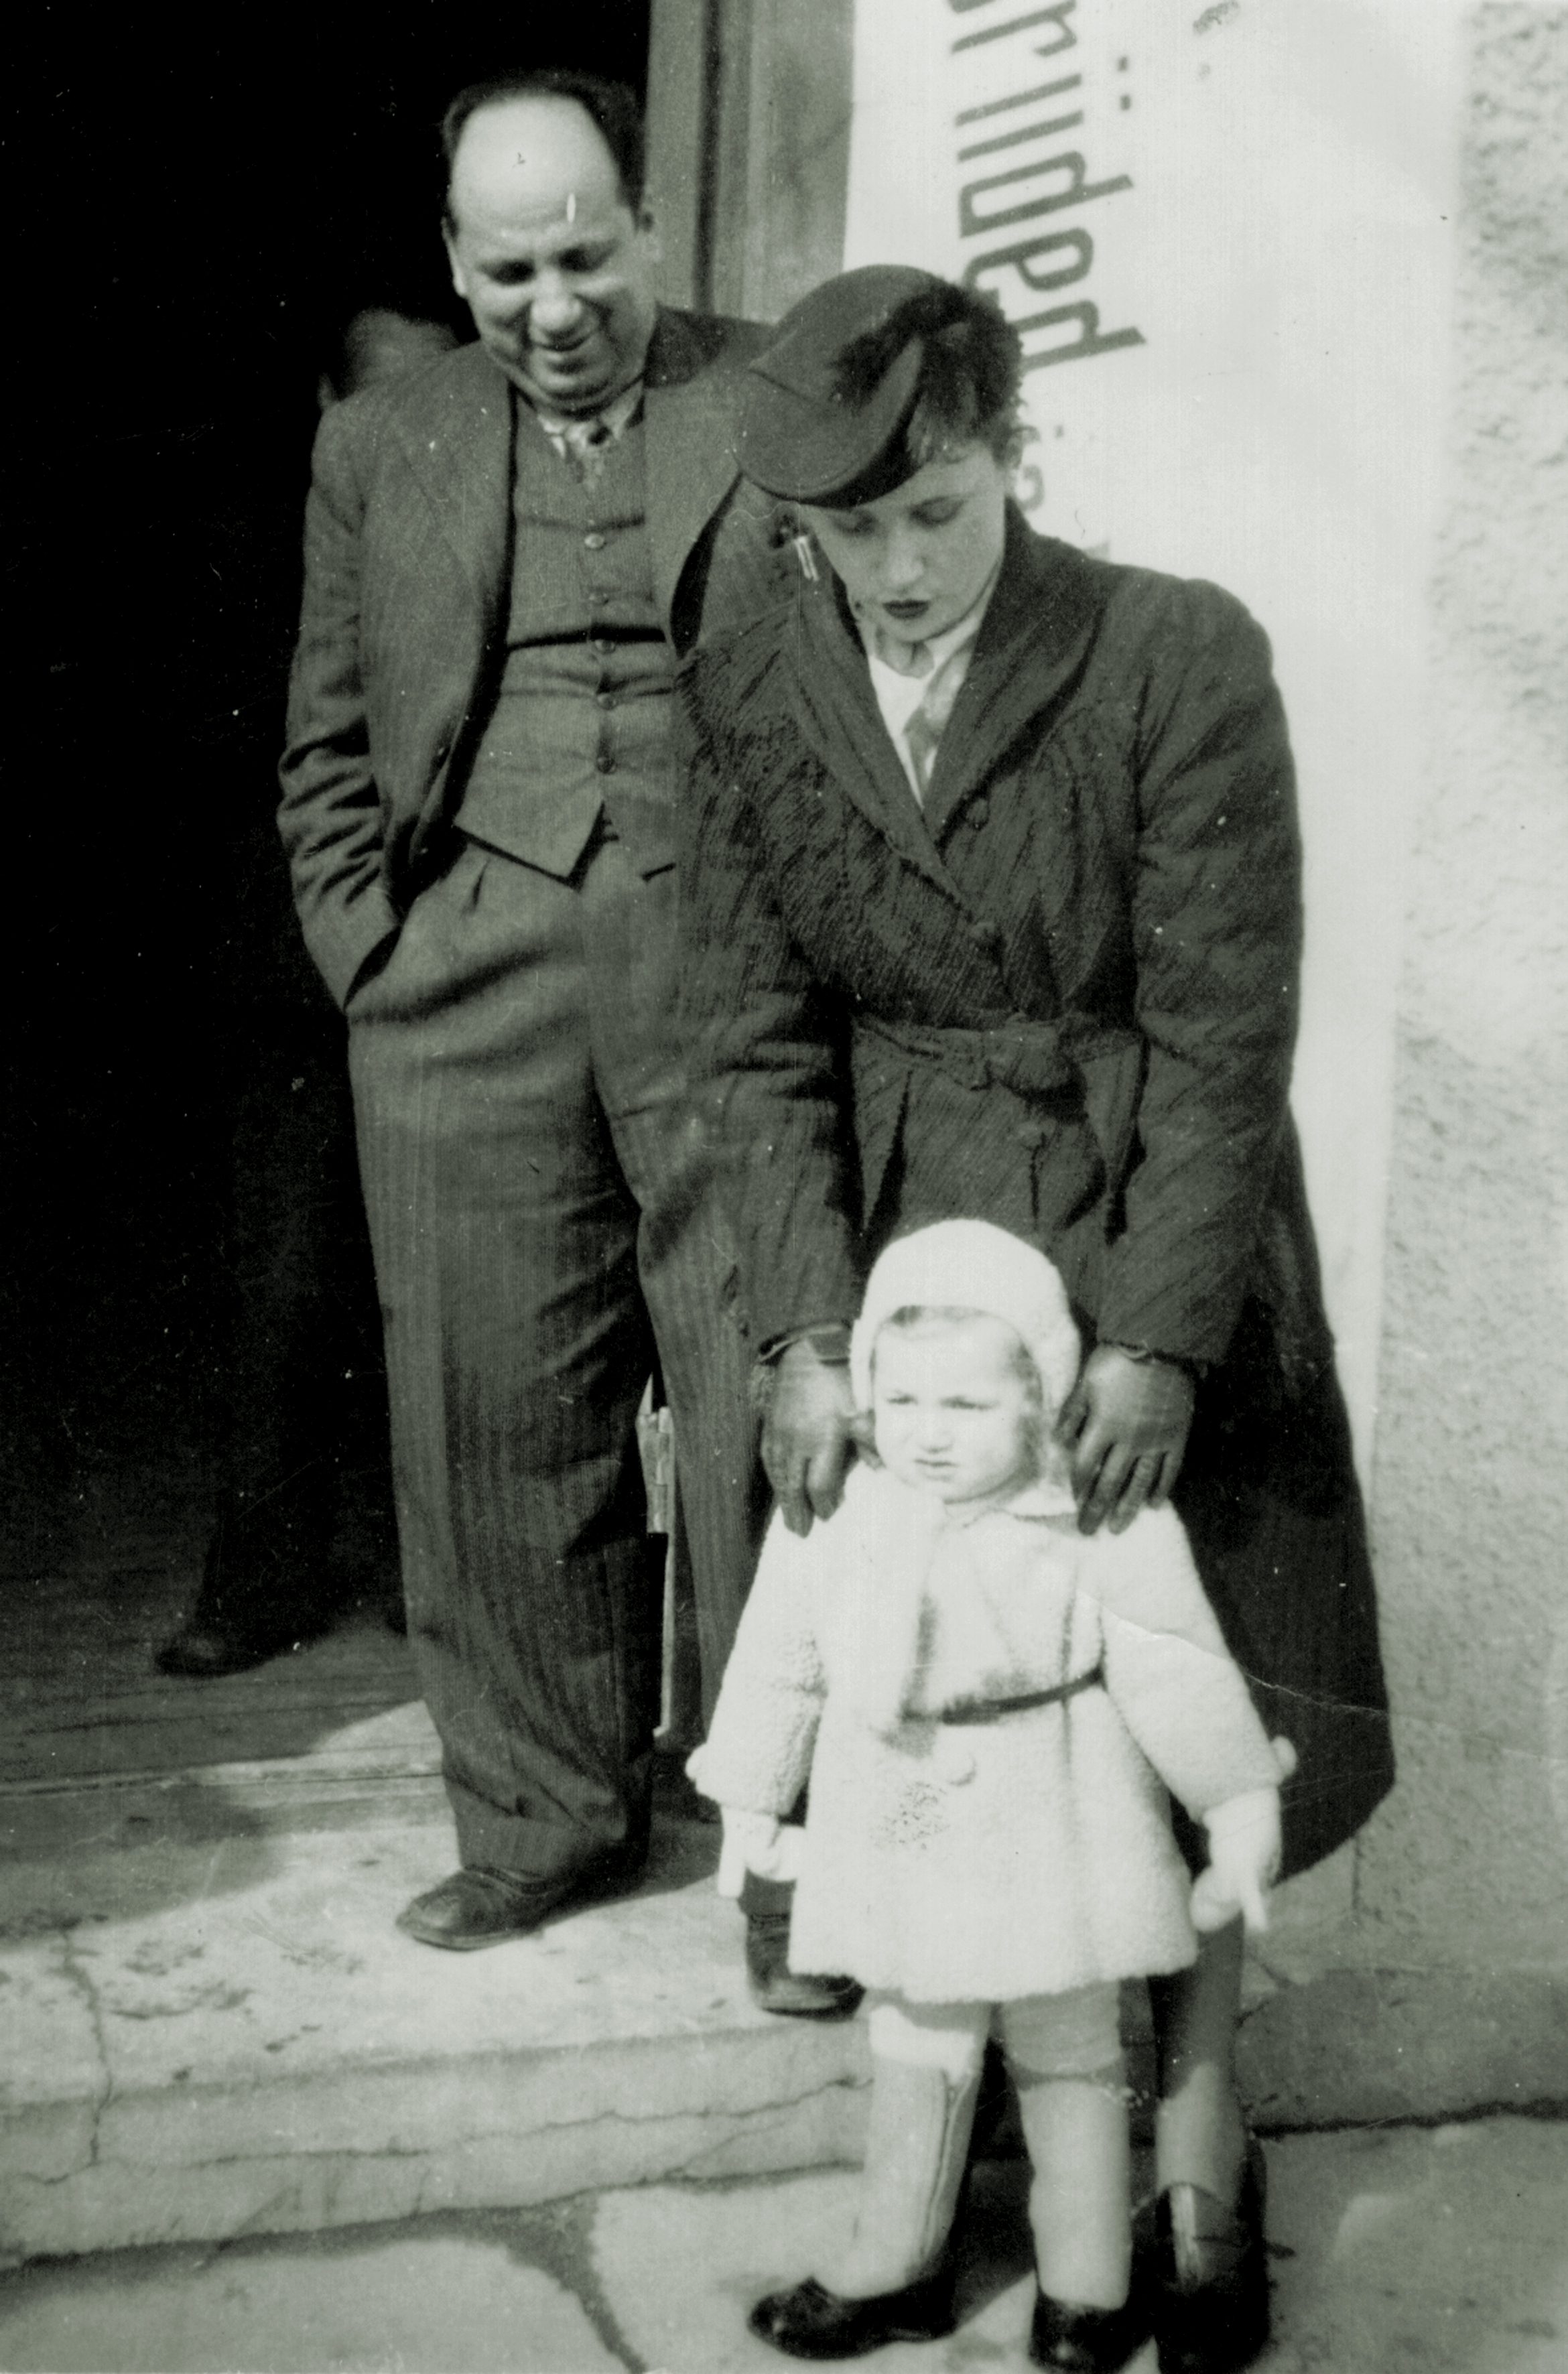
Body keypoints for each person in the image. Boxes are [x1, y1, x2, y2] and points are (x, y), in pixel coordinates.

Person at [677, 266, 1396, 2368]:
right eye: (855, 531)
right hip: (914, 1268)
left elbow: (1222, 1030)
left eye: (940, 509)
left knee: (1176, 1681)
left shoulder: (1172, 652)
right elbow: (751, 1034)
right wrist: (806, 1333)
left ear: (1012, 455)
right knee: (936, 1697)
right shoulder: (752, 681)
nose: (903, 568)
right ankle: (958, 2162)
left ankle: (1196, 2159)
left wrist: (1160, 1340)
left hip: (1145, 1202)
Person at [276, 69, 844, 2004]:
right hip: (470, 980)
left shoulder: (772, 394)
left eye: (586, 255)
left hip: (734, 975)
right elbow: (325, 745)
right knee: (491, 1411)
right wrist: (376, 959)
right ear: (455, 264)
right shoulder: (383, 441)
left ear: (650, 228)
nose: (554, 305)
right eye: (510, 269)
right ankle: (541, 1816)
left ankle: (796, 1864)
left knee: (772, 1411)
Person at [692, 1222, 1293, 2370]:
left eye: (967, 1406)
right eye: (903, 1400)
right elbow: (781, 1659)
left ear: (1042, 1397)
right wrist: (751, 1800)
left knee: (1070, 2050)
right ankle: (896, 2260)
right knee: (918, 2036)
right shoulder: (844, 1508)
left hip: (1055, 1812)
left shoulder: (1094, 1513)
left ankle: (1087, 2289)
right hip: (902, 1814)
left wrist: (1234, 1799)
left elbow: (1173, 1662)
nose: (929, 1433)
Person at [158, 306, 456, 1680]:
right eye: (381, 400)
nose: (409, 430)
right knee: (284, 1287)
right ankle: (259, 1578)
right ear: (329, 408)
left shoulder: (484, 535)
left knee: (448, 1282)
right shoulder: (254, 562)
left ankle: (426, 1570)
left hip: (449, 969)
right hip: (294, 981)